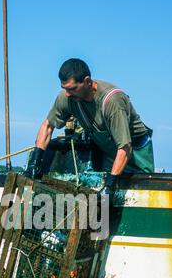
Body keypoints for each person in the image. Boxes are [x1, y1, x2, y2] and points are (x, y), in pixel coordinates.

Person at [25, 58, 155, 195]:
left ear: (87, 81)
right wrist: (35, 161)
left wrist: (109, 187)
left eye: (72, 89)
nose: (68, 94)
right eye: (64, 89)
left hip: (135, 153)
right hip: (108, 153)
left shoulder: (112, 101)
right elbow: (47, 126)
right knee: (103, 204)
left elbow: (125, 147)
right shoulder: (67, 97)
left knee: (138, 194)